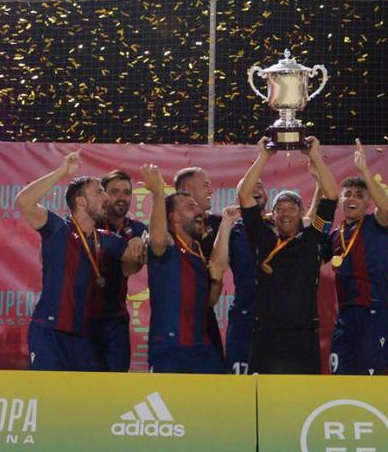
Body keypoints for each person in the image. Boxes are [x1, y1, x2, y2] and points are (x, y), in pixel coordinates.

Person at [15, 151, 145, 371]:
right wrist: (62, 172)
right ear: (81, 202)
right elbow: (24, 201)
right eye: (99, 192)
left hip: (82, 336)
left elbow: (136, 256)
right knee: (49, 398)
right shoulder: (57, 229)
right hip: (49, 330)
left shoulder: (104, 239)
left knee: (86, 401)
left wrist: (139, 243)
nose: (106, 198)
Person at [236, 137, 339, 374]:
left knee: (303, 403)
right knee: (263, 403)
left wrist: (315, 157)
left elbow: (332, 196)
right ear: (271, 215)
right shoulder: (262, 238)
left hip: (304, 337)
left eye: (292, 208)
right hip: (266, 336)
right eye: (279, 208)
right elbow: (244, 196)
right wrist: (264, 157)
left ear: (302, 213)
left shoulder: (314, 238)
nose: (285, 213)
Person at [142, 165, 232, 373]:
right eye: (191, 208)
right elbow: (156, 239)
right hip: (170, 347)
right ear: (174, 217)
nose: (199, 211)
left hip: (202, 346)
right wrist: (158, 194)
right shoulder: (168, 244)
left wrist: (217, 282)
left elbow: (210, 301)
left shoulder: (198, 251)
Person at [324, 140, 388, 375]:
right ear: (341, 201)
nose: (352, 198)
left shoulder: (376, 224)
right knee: (340, 376)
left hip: (373, 311)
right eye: (347, 195)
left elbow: (386, 208)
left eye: (359, 195)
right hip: (345, 315)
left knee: (370, 378)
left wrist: (365, 171)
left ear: (367, 203)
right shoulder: (335, 235)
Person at [90, 170, 147, 372]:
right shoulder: (88, 225)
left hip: (115, 319)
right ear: (103, 195)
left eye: (127, 192)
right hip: (82, 319)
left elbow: (128, 269)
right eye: (115, 191)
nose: (122, 197)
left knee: (116, 386)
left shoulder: (138, 229)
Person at [224, 179, 267, 374]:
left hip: (274, 321)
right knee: (238, 388)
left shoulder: (281, 225)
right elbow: (217, 265)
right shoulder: (231, 230)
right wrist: (225, 225)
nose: (255, 189)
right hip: (243, 317)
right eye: (250, 186)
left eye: (260, 186)